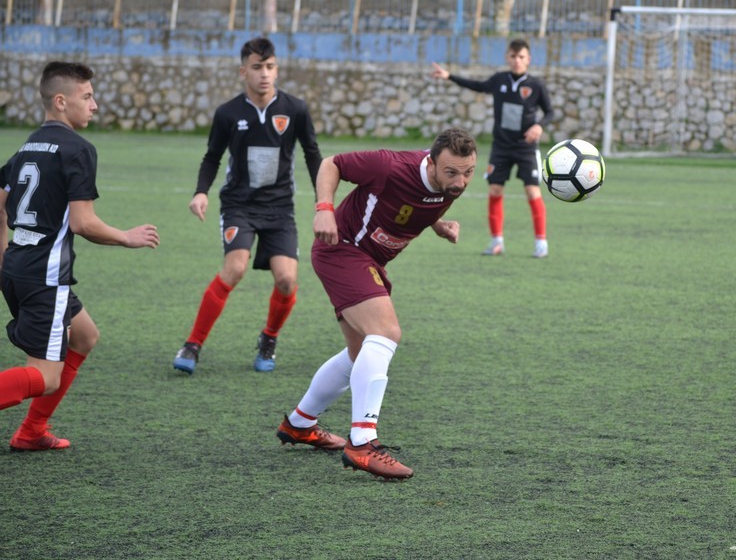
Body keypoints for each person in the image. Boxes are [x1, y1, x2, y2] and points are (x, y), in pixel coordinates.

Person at [274, 128, 477, 480]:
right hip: (343, 249)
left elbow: (419, 202)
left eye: (468, 172)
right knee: (386, 332)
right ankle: (362, 443)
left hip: (368, 259)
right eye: (452, 173)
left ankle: (299, 423)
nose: (461, 182)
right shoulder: (390, 166)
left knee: (359, 354)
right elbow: (332, 164)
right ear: (431, 163)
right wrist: (324, 209)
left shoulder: (448, 180)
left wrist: (437, 225)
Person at [0, 61, 160, 451]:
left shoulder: (29, 145)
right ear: (60, 101)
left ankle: (32, 431)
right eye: (87, 96)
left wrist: (3, 252)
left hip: (18, 267)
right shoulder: (78, 149)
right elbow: (83, 223)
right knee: (45, 377)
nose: (95, 105)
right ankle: (31, 430)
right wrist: (127, 237)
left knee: (85, 336)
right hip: (45, 275)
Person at [173, 37, 321, 374]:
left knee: (287, 280)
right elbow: (212, 157)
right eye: (257, 68)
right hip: (239, 205)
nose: (264, 74)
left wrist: (323, 200)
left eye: (270, 67)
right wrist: (201, 192)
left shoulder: (295, 109)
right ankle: (192, 344)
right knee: (235, 268)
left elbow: (313, 154)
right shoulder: (228, 113)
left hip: (280, 208)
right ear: (244, 72)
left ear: (277, 70)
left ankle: (269, 338)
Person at [431, 38, 553, 258]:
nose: (517, 60)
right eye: (513, 56)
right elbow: (477, 86)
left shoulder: (536, 85)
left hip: (526, 148)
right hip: (501, 147)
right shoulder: (499, 80)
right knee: (495, 190)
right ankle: (497, 241)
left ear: (528, 59)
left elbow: (550, 112)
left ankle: (541, 242)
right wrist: (449, 76)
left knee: (532, 191)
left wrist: (539, 126)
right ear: (507, 57)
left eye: (521, 57)